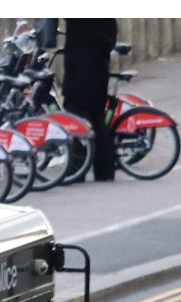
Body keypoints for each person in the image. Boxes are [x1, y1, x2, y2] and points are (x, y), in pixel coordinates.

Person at [61, 18, 119, 181]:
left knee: (78, 120)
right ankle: (103, 171)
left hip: (80, 72)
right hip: (97, 70)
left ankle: (76, 170)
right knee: (95, 120)